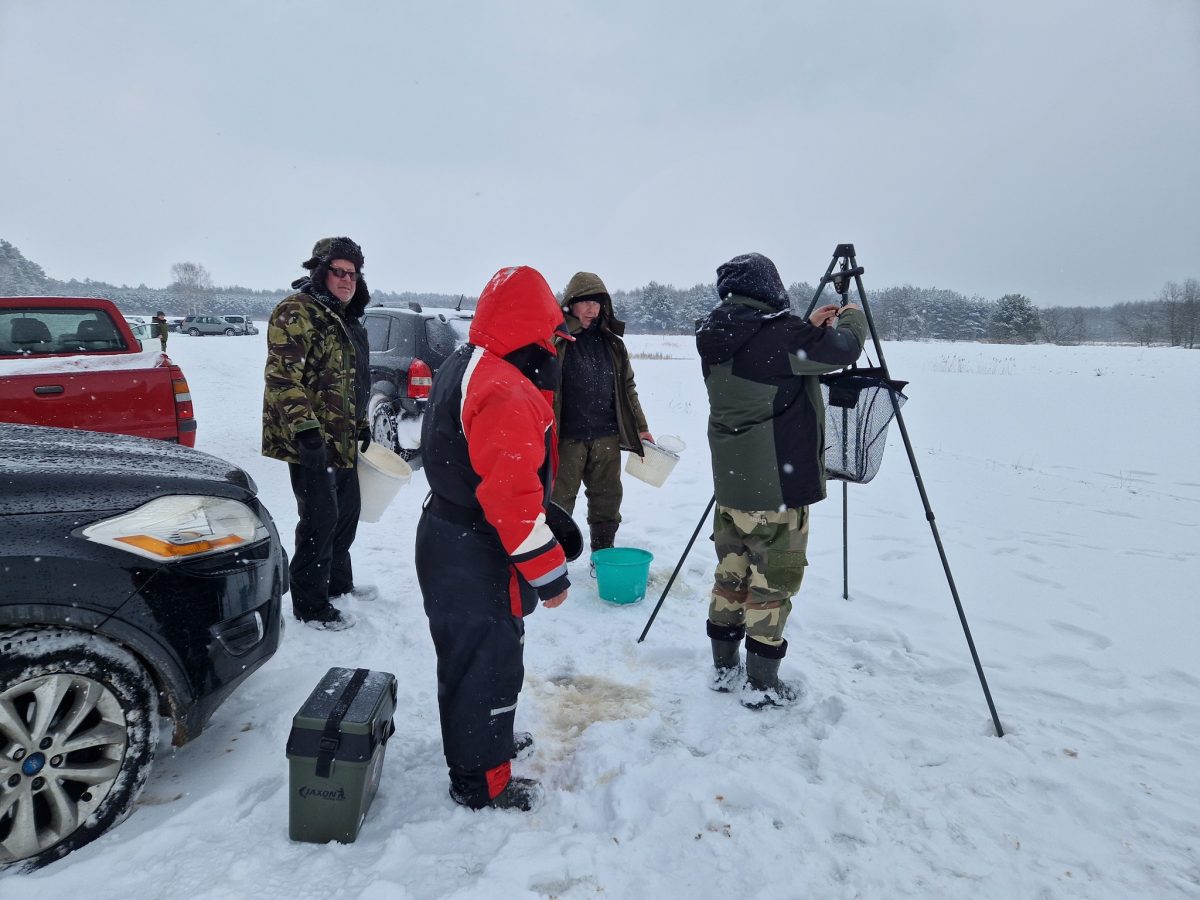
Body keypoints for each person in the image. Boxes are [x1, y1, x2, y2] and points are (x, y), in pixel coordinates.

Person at [415, 265, 573, 812]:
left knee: (482, 654)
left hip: (453, 533)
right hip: (474, 547)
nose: (555, 344)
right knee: (484, 662)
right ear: (529, 326)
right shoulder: (504, 387)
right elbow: (509, 499)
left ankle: (493, 744)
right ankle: (482, 780)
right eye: (550, 332)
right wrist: (549, 572)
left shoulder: (471, 359)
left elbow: (493, 469)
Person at [695, 252, 867, 709]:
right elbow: (843, 351)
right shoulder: (779, 337)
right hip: (776, 487)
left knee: (730, 576)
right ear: (769, 288)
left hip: (732, 486)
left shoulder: (713, 333)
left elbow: (766, 354)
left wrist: (804, 326)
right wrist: (852, 319)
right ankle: (761, 684)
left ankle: (723, 668)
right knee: (772, 585)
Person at [262, 236, 374, 631]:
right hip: (311, 440)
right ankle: (310, 604)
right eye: (339, 272)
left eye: (353, 273)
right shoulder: (297, 312)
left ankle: (338, 585)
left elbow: (352, 380)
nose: (347, 280)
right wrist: (306, 430)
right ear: (320, 272)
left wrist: (361, 424)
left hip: (342, 436)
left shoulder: (345, 315)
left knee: (346, 515)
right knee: (319, 519)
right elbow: (282, 377)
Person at [551, 272, 652, 552]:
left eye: (597, 303)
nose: (592, 309)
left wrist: (642, 427)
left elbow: (628, 387)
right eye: (585, 302)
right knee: (559, 501)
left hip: (606, 436)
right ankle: (554, 559)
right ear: (571, 303)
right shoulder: (556, 341)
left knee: (608, 499)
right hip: (567, 438)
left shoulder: (613, 344)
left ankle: (603, 553)